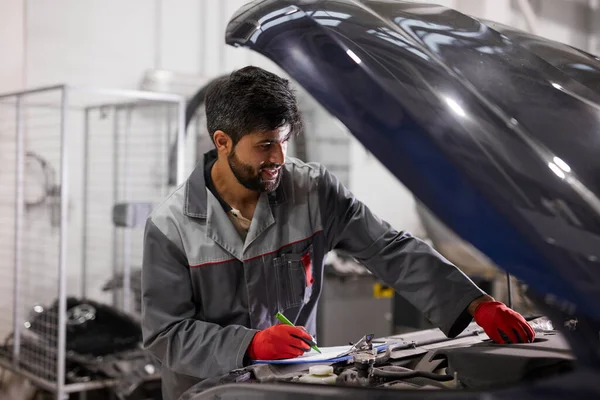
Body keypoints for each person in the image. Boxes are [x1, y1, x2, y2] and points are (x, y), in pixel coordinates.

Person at [141, 66, 535, 400]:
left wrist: (474, 303)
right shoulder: (171, 226)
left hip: (292, 387)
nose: (278, 158)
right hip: (209, 393)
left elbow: (387, 249)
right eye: (265, 145)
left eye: (282, 141)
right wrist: (249, 345)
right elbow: (166, 334)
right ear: (222, 142)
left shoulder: (314, 192)